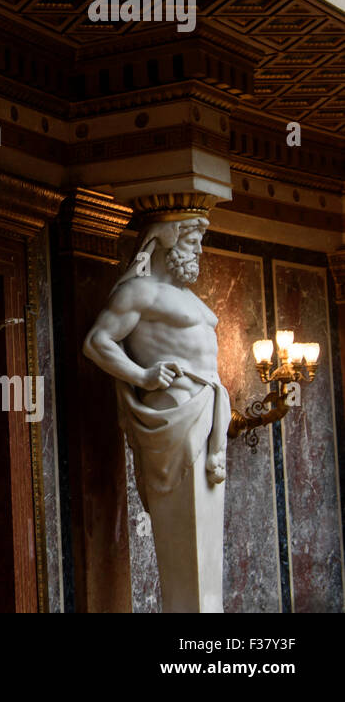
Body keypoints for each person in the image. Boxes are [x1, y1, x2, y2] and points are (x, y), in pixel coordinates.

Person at [83, 216, 229, 612]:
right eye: (192, 240)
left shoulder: (192, 300)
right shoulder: (140, 292)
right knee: (184, 529)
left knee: (207, 533)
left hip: (209, 409)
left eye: (201, 241)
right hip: (176, 415)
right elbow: (97, 343)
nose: (199, 250)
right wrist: (142, 375)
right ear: (166, 243)